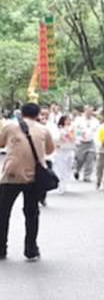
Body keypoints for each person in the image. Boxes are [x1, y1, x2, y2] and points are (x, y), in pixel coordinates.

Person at [0, 103, 55, 261]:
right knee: (31, 213)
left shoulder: (9, 127)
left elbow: (1, 143)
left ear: (22, 113)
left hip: (11, 174)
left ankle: (1, 248)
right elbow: (50, 150)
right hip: (34, 177)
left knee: (3, 212)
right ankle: (31, 249)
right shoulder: (44, 129)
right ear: (38, 114)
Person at [72, 105, 100, 182]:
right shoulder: (79, 120)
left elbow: (98, 132)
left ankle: (87, 176)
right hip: (81, 142)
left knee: (90, 159)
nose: (89, 113)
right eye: (88, 111)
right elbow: (75, 130)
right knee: (80, 160)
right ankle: (77, 170)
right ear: (84, 111)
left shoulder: (95, 121)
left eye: (91, 111)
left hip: (91, 142)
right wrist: (79, 136)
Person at [53, 115, 75, 194]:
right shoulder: (58, 129)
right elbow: (56, 139)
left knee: (67, 168)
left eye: (69, 120)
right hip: (60, 151)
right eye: (66, 120)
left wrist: (68, 133)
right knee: (60, 168)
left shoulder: (72, 129)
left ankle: (64, 183)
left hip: (69, 150)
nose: (68, 121)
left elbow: (73, 138)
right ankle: (60, 184)